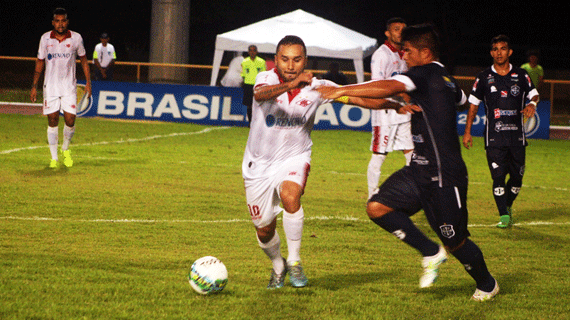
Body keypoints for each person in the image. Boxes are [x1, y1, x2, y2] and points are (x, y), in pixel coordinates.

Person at [316, 24, 499, 301]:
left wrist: (340, 89)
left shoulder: (423, 74)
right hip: (419, 170)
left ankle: (487, 284)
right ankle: (430, 252)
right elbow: (460, 100)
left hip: (444, 176)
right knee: (377, 207)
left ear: (425, 52)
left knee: (455, 241)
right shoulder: (446, 79)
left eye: (408, 51)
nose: (404, 56)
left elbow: (390, 86)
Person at [242, 35, 345, 289]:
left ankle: (295, 262)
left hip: (294, 157)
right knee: (264, 231)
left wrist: (393, 103)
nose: (290, 65)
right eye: (285, 59)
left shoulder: (317, 86)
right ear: (276, 60)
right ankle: (279, 265)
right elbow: (259, 95)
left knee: (291, 197)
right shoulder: (266, 79)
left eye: (297, 60)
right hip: (258, 166)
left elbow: (352, 96)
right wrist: (292, 85)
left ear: (305, 61)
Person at [463, 35, 539, 228]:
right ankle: (503, 214)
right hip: (494, 137)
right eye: (495, 49)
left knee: (516, 180)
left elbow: (534, 93)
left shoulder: (521, 75)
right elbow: (473, 105)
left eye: (503, 48)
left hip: (517, 137)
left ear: (509, 52)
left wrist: (532, 103)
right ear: (491, 53)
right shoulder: (483, 77)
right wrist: (467, 131)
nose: (499, 52)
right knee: (497, 176)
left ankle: (507, 204)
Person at [30, 7, 91, 169]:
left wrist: (88, 82)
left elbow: (84, 60)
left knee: (70, 119)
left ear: (67, 22)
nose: (60, 24)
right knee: (52, 120)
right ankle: (54, 158)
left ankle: (65, 149)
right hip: (50, 87)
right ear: (53, 22)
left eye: (63, 20)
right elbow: (40, 61)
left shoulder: (76, 38)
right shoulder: (45, 39)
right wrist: (34, 86)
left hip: (69, 87)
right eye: (57, 21)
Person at [367, 17, 414, 199]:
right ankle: (372, 194)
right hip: (386, 112)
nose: (400, 32)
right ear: (388, 33)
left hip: (405, 111)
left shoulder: (406, 53)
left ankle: (414, 190)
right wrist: (401, 94)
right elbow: (378, 85)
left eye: (403, 29)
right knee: (380, 154)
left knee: (411, 152)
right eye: (396, 29)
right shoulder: (382, 54)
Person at [241, 45, 266, 123]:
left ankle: (258, 122)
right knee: (249, 105)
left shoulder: (261, 61)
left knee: (259, 104)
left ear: (256, 51)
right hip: (248, 85)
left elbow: (263, 74)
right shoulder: (245, 62)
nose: (252, 52)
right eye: (251, 50)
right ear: (248, 52)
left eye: (254, 50)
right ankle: (250, 122)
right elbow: (243, 74)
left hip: (258, 86)